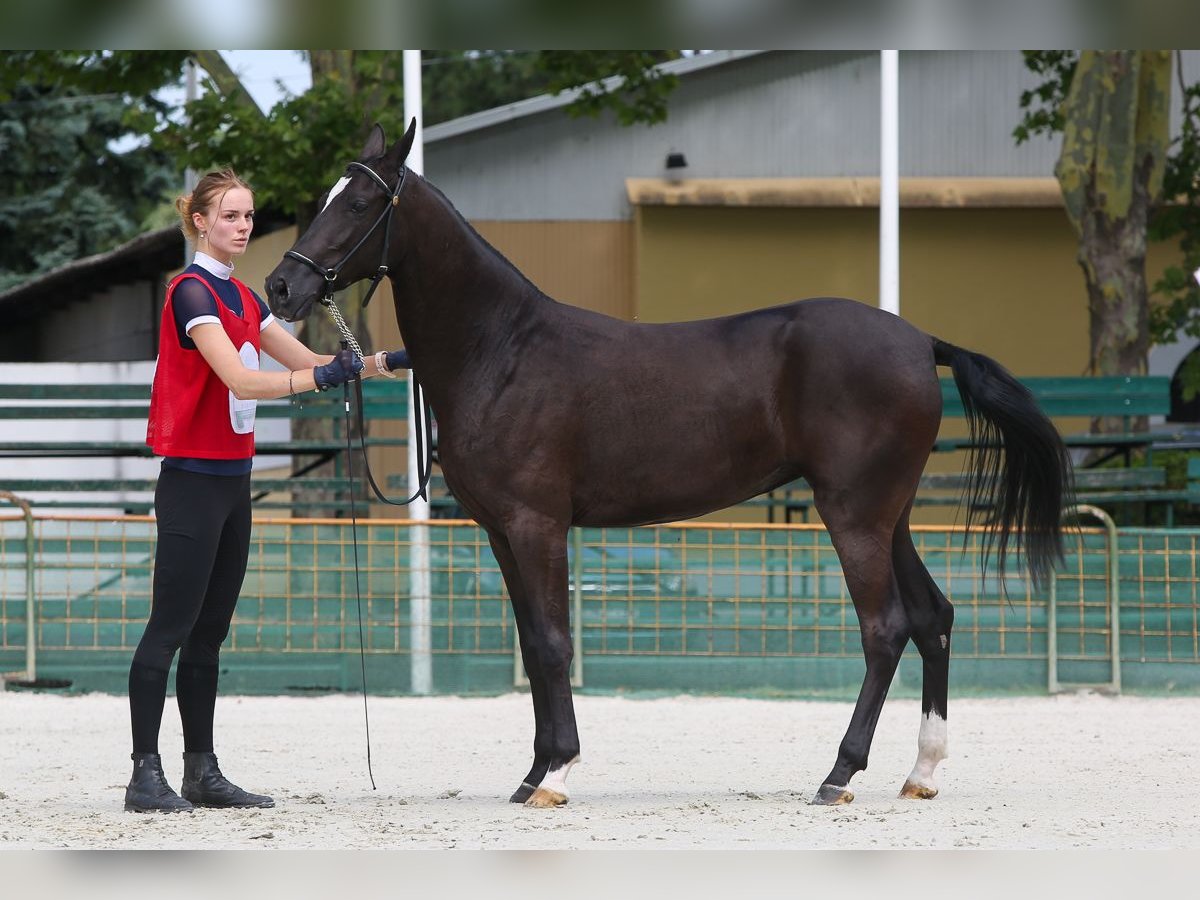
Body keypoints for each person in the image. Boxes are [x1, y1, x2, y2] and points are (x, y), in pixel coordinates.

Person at [127, 168, 410, 813]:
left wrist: (383, 361)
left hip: (233, 482)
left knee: (209, 634)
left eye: (248, 216)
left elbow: (307, 364)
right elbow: (244, 381)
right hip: (193, 481)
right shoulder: (191, 293)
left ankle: (202, 771)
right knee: (168, 628)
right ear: (200, 221)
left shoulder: (246, 300)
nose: (243, 226)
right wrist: (323, 378)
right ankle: (145, 774)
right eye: (229, 216)